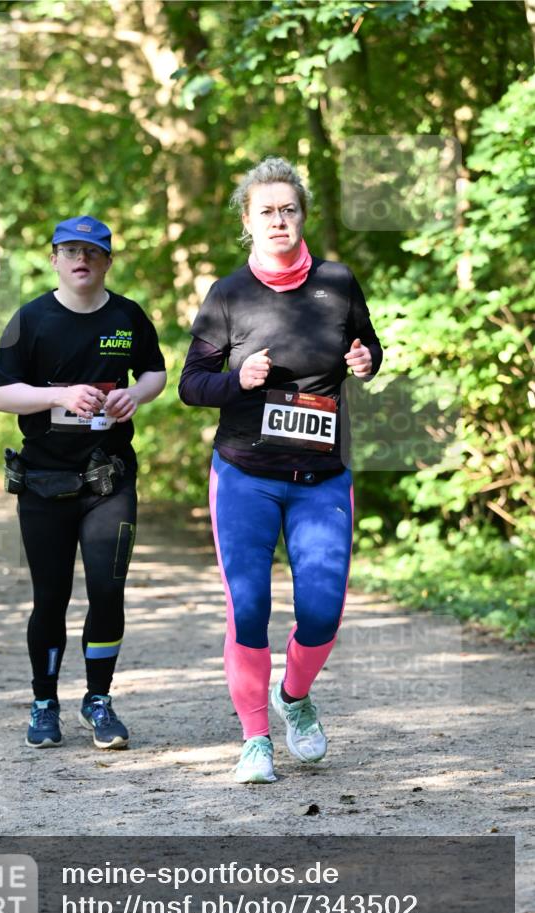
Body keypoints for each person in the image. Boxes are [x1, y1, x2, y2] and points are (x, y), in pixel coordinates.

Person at [179, 157, 382, 783]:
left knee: (322, 611)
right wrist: (238, 380)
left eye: (288, 209)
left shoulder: (338, 283)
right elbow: (191, 384)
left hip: (321, 479)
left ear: (302, 217)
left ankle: (293, 698)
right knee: (249, 608)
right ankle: (255, 740)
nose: (278, 220)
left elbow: (370, 345)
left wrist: (366, 359)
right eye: (265, 211)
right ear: (248, 220)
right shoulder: (229, 295)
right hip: (244, 475)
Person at [0, 215, 166, 750]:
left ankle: (99, 701)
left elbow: (155, 372)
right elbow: (1, 396)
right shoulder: (30, 319)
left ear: (107, 261)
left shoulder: (128, 316)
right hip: (44, 482)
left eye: (91, 252)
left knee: (108, 593)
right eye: (70, 251)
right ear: (54, 259)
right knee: (51, 598)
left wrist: (135, 396)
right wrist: (58, 396)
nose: (80, 260)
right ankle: (45, 705)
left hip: (108, 480)